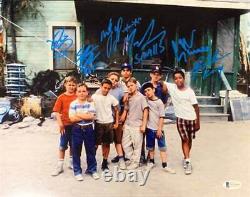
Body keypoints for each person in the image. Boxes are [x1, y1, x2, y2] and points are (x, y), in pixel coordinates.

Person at [164, 69, 200, 175]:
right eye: (175, 78)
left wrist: (198, 122)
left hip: (192, 118)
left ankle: (185, 157)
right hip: (180, 119)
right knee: (184, 139)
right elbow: (162, 82)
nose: (178, 80)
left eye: (180, 77)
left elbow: (196, 108)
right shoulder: (172, 88)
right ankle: (188, 162)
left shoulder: (190, 92)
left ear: (184, 78)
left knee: (189, 140)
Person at [141, 82, 175, 174]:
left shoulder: (159, 102)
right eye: (145, 91)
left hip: (158, 129)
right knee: (150, 147)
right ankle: (151, 162)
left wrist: (160, 129)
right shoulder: (146, 100)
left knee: (162, 147)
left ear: (153, 90)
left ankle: (165, 165)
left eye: (148, 90)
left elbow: (161, 117)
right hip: (149, 128)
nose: (147, 92)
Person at [69, 83, 99, 181]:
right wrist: (85, 115)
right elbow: (72, 119)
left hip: (89, 129)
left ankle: (92, 169)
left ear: (87, 93)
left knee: (90, 150)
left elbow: (91, 116)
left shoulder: (91, 103)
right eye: (79, 91)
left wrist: (78, 114)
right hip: (77, 129)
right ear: (76, 93)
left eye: (84, 91)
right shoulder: (73, 104)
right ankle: (77, 171)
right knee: (76, 150)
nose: (81, 93)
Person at [140, 65, 168, 163]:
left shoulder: (162, 87)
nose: (156, 76)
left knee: (156, 138)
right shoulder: (146, 86)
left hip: (156, 115)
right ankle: (142, 155)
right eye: (154, 74)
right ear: (151, 74)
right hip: (146, 115)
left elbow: (164, 101)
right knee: (144, 137)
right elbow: (141, 98)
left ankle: (150, 157)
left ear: (160, 76)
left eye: (158, 74)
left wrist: (160, 112)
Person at [51, 76, 77, 176]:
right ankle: (60, 165)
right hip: (65, 126)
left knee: (73, 145)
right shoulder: (61, 97)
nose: (71, 87)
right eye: (69, 85)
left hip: (75, 125)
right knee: (62, 146)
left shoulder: (77, 97)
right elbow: (57, 112)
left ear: (76, 86)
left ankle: (71, 162)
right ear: (65, 85)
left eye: (73, 85)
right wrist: (60, 124)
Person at [120, 77, 149, 170]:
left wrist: (144, 124)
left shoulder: (141, 97)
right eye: (128, 86)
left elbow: (146, 111)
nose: (130, 87)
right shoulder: (128, 97)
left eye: (131, 85)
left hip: (137, 125)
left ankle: (135, 162)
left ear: (136, 85)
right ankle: (131, 159)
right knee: (125, 144)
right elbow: (127, 110)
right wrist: (124, 123)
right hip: (128, 124)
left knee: (137, 145)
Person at [92, 78, 119, 172]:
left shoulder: (111, 98)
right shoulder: (94, 97)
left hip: (108, 123)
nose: (106, 90)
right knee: (95, 145)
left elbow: (116, 110)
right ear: (101, 87)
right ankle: (92, 162)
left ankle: (104, 162)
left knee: (106, 144)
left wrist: (116, 122)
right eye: (105, 88)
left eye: (108, 88)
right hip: (98, 123)